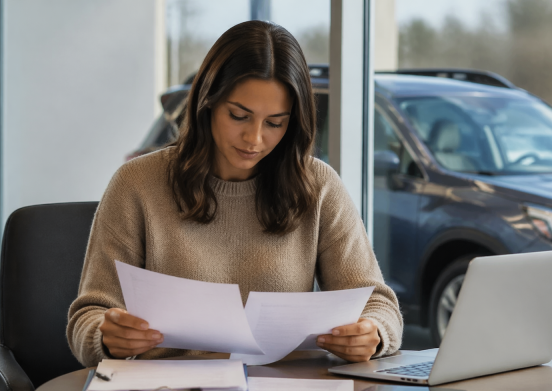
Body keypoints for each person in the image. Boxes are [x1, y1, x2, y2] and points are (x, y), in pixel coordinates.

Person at [67, 20, 403, 367]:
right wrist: (107, 336)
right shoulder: (136, 183)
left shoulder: (318, 186)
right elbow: (90, 315)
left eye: (275, 123)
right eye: (239, 116)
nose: (254, 139)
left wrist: (373, 332)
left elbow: (378, 303)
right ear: (207, 102)